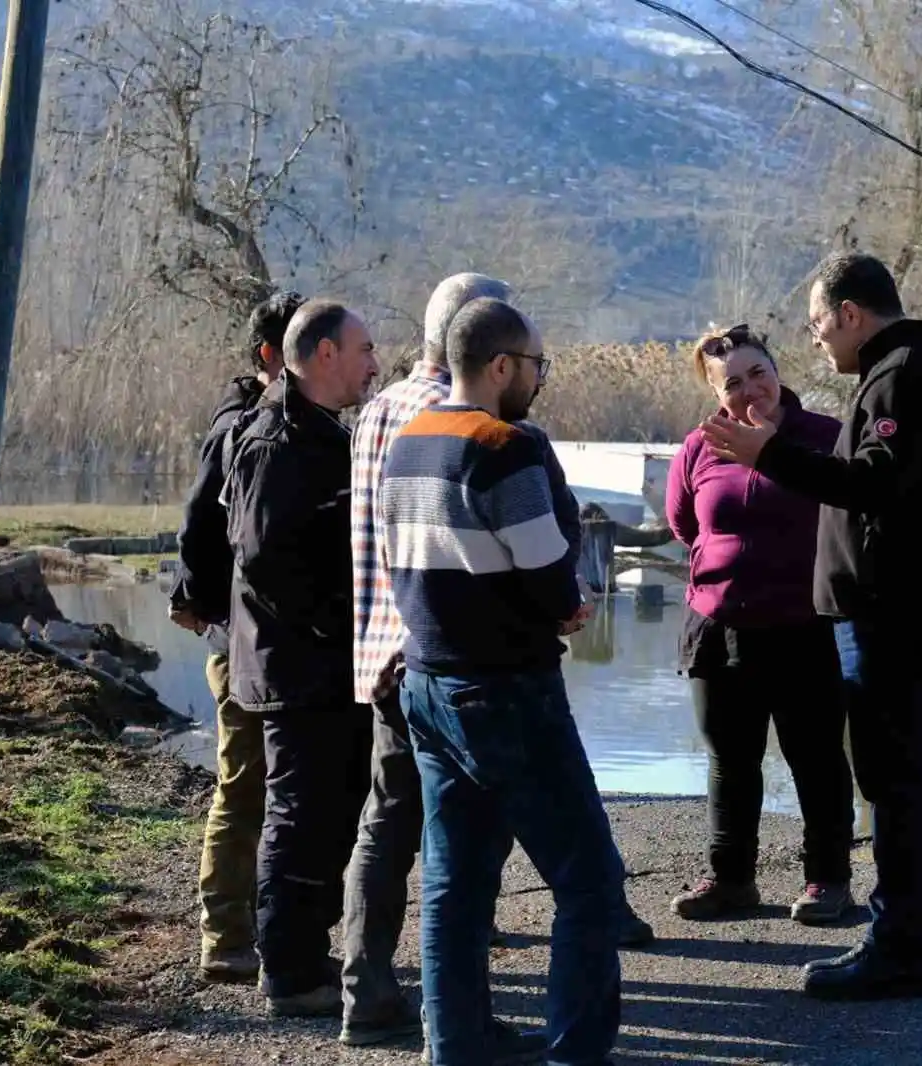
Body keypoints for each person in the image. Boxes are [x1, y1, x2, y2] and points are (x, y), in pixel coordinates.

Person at [700, 252, 922, 1001]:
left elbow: (876, 486)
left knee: (895, 785)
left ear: (851, 314)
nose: (818, 341)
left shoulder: (901, 378)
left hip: (895, 619)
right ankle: (898, 941)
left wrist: (773, 455)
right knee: (894, 781)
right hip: (893, 616)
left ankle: (897, 950)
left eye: (821, 324)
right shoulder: (902, 372)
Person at [381, 298, 625, 1066]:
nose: (538, 380)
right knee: (588, 880)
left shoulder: (406, 442)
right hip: (507, 691)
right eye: (534, 366)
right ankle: (576, 1053)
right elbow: (548, 567)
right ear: (498, 367)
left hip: (427, 682)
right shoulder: (502, 445)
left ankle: (454, 1046)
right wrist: (568, 606)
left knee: (455, 882)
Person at [341, 272, 512, 1047]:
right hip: (444, 656)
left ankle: (365, 988)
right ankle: (461, 1015)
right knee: (461, 840)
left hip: (379, 647)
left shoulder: (374, 411)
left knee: (386, 824)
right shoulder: (463, 418)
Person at [664, 323, 856, 925]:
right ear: (716, 393)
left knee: (816, 757)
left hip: (805, 626)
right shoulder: (699, 446)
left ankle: (827, 879)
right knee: (730, 759)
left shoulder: (825, 438)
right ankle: (730, 881)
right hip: (719, 626)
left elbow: (851, 516)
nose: (750, 390)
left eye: (758, 373)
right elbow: (683, 526)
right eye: (732, 383)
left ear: (777, 370)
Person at [224, 297, 383, 1015]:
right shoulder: (277, 441)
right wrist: (329, 630)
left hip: (326, 666)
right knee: (299, 814)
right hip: (298, 669)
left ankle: (307, 955)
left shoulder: (322, 432)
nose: (373, 364)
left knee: (332, 809)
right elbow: (262, 558)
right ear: (324, 356)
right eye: (363, 350)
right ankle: (288, 971)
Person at [166, 288, 304, 984]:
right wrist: (196, 599)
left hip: (262, 636)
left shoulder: (283, 418)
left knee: (265, 782)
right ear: (270, 356)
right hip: (239, 636)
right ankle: (224, 935)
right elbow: (197, 522)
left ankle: (254, 924)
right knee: (243, 781)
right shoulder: (242, 426)